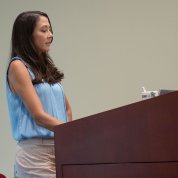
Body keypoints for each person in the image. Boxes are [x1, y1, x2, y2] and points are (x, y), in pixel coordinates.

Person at [6, 11, 72, 178]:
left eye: (50, 30)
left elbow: (67, 109)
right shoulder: (18, 66)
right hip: (35, 155)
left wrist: (70, 138)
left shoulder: (46, 68)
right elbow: (39, 116)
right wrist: (72, 133)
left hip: (60, 147)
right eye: (44, 30)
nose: (50, 35)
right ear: (27, 35)